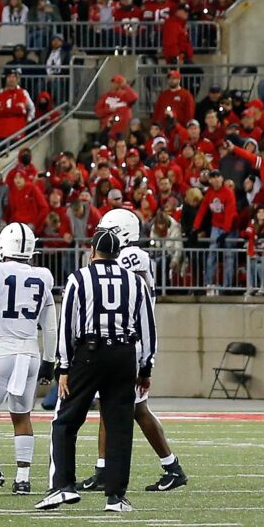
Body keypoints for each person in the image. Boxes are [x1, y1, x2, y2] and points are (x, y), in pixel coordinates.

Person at [39, 212, 157, 513]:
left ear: (92, 251)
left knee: (65, 420)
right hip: (124, 354)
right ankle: (116, 497)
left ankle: (62, 486)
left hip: (89, 354)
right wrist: (145, 367)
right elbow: (147, 326)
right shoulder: (134, 281)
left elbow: (68, 324)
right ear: (117, 253)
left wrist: (63, 367)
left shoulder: (79, 278)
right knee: (119, 426)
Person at [87, 209, 189, 492]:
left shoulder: (133, 256)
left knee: (136, 409)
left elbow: (122, 298)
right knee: (111, 406)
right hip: (121, 341)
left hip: (130, 342)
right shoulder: (127, 256)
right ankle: (103, 470)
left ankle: (172, 467)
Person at [0, 221, 53, 495]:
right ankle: (23, 479)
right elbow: (50, 325)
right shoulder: (43, 275)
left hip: (3, 349)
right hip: (30, 353)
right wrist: (49, 362)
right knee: (22, 415)